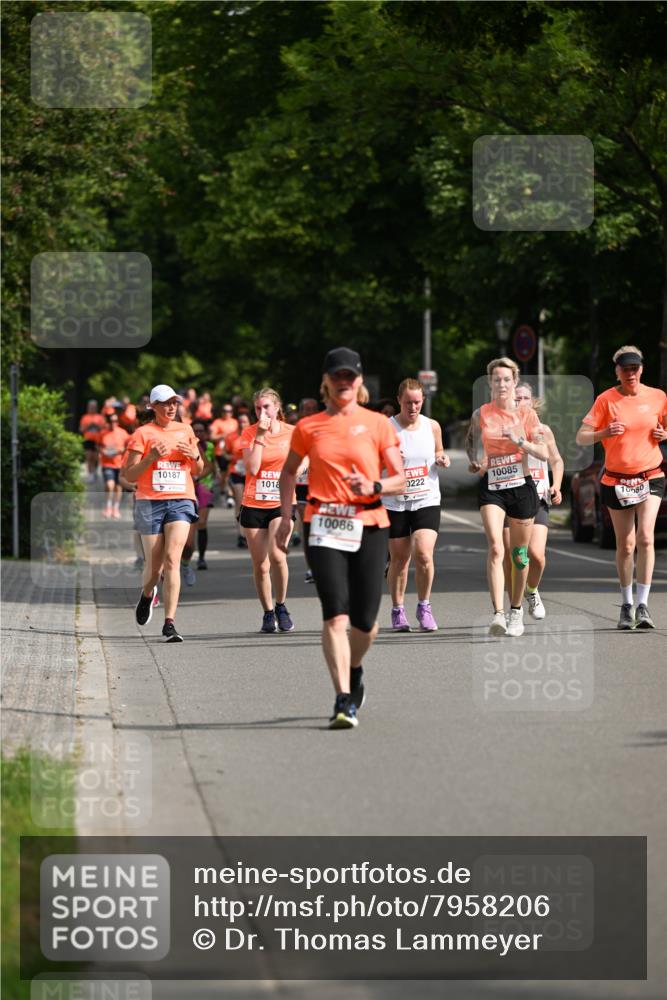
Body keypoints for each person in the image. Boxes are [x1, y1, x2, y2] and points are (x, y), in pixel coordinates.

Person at [277, 348, 405, 729]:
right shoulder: (308, 427)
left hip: (369, 522)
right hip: (323, 523)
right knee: (335, 615)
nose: (343, 382)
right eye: (337, 376)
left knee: (366, 623)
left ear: (360, 381)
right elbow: (288, 472)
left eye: (350, 376)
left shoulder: (377, 424)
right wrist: (286, 515)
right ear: (326, 381)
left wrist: (375, 485)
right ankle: (343, 699)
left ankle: (354, 665)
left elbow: (400, 478)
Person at [576, 345, 667, 629]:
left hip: (650, 475)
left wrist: (664, 433)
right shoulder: (606, 400)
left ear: (642, 369)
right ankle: (627, 605)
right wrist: (604, 432)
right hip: (617, 480)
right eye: (625, 369)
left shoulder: (658, 397)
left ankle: (643, 605)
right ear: (617, 371)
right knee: (626, 545)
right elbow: (581, 437)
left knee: (646, 538)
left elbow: (665, 427)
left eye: (634, 369)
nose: (630, 374)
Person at [466, 357, 548, 638]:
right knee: (496, 547)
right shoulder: (481, 414)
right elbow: (471, 441)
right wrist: (474, 460)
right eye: (496, 380)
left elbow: (543, 453)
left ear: (514, 382)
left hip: (521, 486)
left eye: (506, 379)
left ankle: (516, 610)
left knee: (520, 555)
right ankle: (498, 614)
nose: (501, 384)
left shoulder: (527, 415)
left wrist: (520, 441)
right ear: (490, 383)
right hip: (492, 486)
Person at [124, 384, 204, 642]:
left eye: (174, 403)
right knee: (155, 566)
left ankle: (169, 623)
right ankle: (147, 594)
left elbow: (199, 470)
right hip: (150, 502)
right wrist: (150, 458)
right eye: (166, 403)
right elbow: (129, 475)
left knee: (172, 560)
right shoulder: (142, 434)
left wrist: (195, 457)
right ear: (153, 406)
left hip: (181, 500)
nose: (171, 407)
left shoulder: (186, 430)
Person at [383, 378, 450, 632]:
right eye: (408, 402)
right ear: (398, 400)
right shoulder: (386, 428)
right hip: (395, 501)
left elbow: (439, 451)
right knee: (400, 559)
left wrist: (442, 458)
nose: (413, 407)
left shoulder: (432, 426)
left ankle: (424, 607)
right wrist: (387, 459)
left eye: (417, 402)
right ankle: (398, 610)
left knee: (423, 553)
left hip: (426, 498)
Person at [501, 383, 564, 620]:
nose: (520, 402)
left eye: (525, 398)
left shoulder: (543, 430)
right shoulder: (503, 430)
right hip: (511, 498)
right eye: (516, 398)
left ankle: (532, 590)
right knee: (512, 554)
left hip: (538, 497)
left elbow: (556, 461)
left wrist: (556, 485)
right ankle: (513, 607)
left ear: (532, 401)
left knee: (536, 555)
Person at [240, 387, 296, 633]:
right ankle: (268, 612)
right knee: (261, 565)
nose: (262, 412)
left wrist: (299, 469)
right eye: (257, 408)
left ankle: (281, 605)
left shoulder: (292, 432)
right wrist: (260, 436)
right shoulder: (249, 433)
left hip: (281, 502)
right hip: (254, 502)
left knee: (277, 555)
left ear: (277, 407)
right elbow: (252, 468)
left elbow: (305, 458)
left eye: (266, 407)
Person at [181, 420, 218, 576]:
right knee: (188, 530)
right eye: (195, 430)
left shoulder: (209, 446)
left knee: (201, 523)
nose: (198, 433)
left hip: (204, 487)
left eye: (201, 430)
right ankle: (185, 558)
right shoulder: (186, 442)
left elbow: (210, 466)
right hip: (186, 488)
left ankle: (201, 557)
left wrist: (198, 477)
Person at [295, 398, 320, 582]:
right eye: (307, 409)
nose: (310, 412)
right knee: (307, 527)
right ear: (301, 412)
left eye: (313, 408)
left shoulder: (324, 428)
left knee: (320, 526)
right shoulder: (295, 430)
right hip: (302, 485)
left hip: (320, 485)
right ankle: (311, 567)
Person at [224, 411, 251, 547]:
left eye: (244, 421)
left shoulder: (255, 435)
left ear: (249, 422)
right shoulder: (231, 437)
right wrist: (233, 458)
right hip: (236, 472)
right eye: (240, 422)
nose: (242, 424)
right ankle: (241, 534)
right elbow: (225, 453)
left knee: (250, 504)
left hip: (251, 473)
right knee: (240, 502)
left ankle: (250, 533)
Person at [97, 412, 130, 519]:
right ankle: (108, 507)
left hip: (120, 464)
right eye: (111, 421)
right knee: (109, 485)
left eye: (115, 421)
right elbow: (98, 446)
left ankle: (115, 508)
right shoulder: (103, 433)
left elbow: (129, 445)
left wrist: (122, 450)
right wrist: (103, 451)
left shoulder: (123, 433)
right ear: (108, 422)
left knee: (118, 487)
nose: (113, 423)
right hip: (107, 464)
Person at [210, 404, 239, 508]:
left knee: (230, 473)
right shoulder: (217, 422)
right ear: (222, 412)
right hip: (221, 452)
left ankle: (230, 496)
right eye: (225, 411)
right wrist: (223, 435)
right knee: (224, 475)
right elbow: (212, 437)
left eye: (229, 411)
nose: (227, 413)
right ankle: (223, 491)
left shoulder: (235, 422)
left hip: (233, 452)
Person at [79, 400, 105, 481]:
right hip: (88, 440)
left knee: (96, 458)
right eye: (91, 407)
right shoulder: (85, 417)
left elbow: (104, 428)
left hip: (98, 440)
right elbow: (81, 429)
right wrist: (88, 426)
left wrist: (97, 426)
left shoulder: (100, 417)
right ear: (88, 407)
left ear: (96, 408)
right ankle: (90, 474)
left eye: (94, 407)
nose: (92, 408)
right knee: (89, 457)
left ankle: (95, 472)